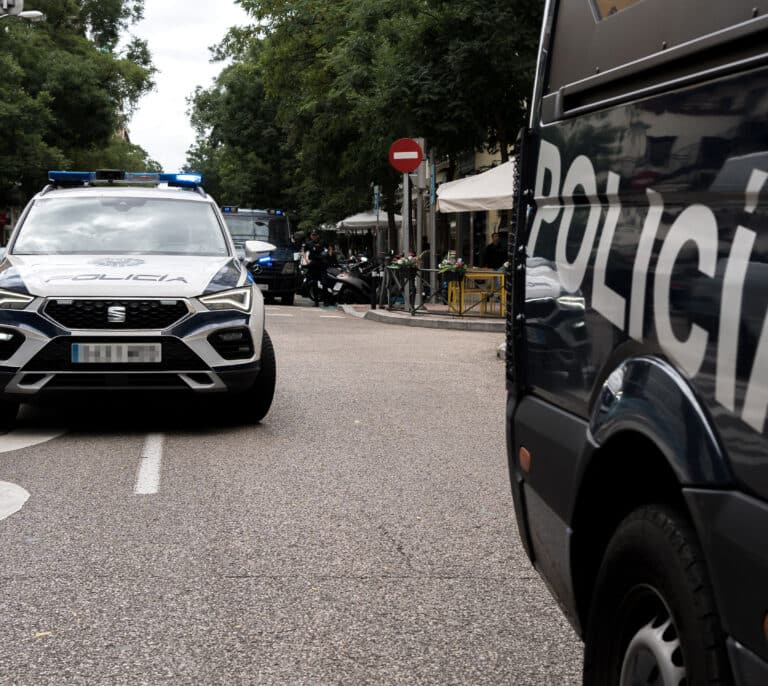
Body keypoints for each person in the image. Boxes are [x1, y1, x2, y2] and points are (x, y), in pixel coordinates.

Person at [302, 229, 328, 306]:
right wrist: (306, 259)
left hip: (322, 263)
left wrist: (327, 254)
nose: (314, 236)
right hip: (313, 264)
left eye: (315, 235)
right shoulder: (308, 243)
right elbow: (303, 251)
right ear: (311, 236)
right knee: (314, 283)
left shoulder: (322, 242)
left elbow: (329, 248)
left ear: (318, 236)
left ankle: (326, 301)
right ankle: (316, 301)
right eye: (313, 235)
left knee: (324, 283)